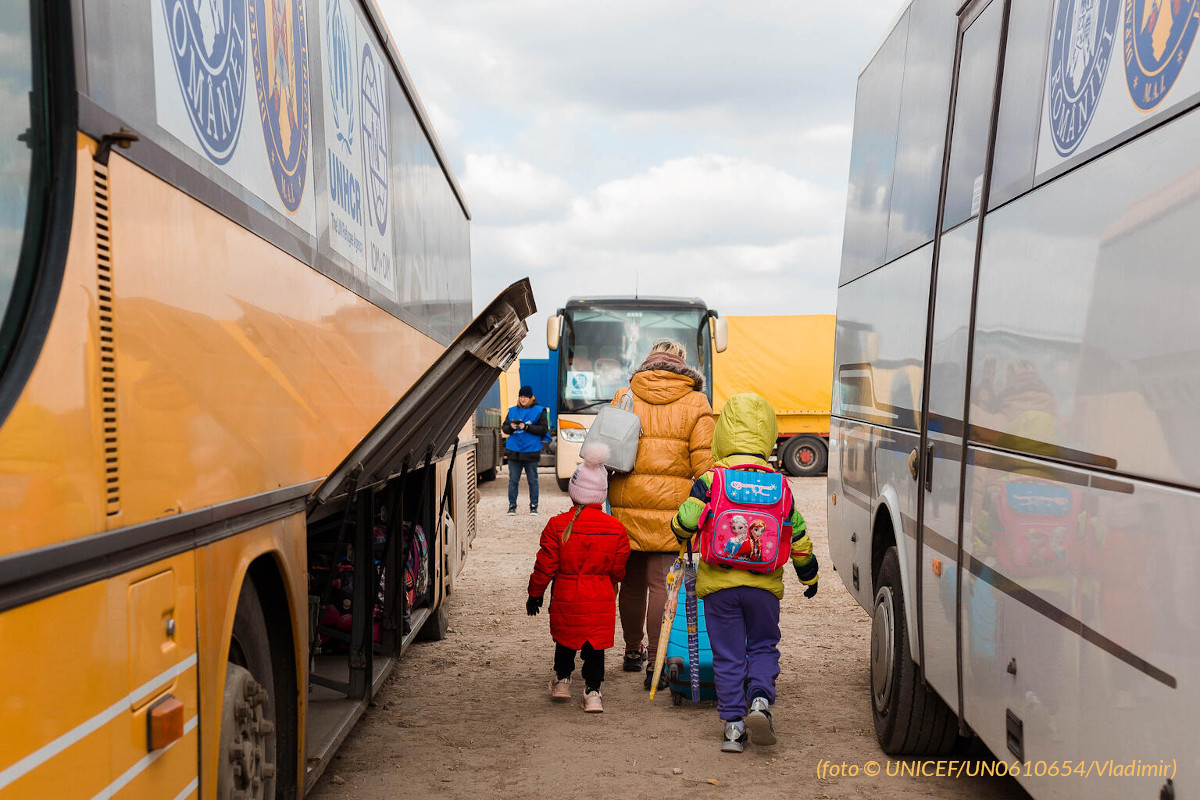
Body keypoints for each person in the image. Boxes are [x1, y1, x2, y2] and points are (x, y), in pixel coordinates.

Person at [670, 393, 818, 754]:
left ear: (721, 435)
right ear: (767, 436)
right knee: (764, 646)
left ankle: (734, 728)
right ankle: (760, 703)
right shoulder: (781, 486)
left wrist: (681, 529)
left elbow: (686, 522)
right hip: (764, 588)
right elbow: (797, 536)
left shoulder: (712, 480)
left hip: (720, 587)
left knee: (728, 655)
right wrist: (808, 576)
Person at [607, 340, 714, 690]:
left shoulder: (625, 394)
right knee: (662, 587)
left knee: (633, 585)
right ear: (681, 365)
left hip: (626, 506)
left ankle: (631, 651)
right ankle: (656, 662)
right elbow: (705, 466)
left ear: (648, 362)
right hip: (672, 509)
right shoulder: (696, 402)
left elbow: (605, 451)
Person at [526, 443, 630, 713]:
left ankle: (562, 681)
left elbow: (545, 565)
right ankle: (593, 693)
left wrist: (535, 593)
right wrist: (611, 580)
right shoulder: (616, 529)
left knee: (566, 638)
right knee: (595, 646)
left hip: (566, 596)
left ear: (574, 492)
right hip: (600, 598)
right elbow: (619, 570)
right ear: (601, 495)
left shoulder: (557, 525)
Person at [503, 385, 550, 515]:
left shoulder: (539, 410)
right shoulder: (512, 411)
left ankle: (533, 506)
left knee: (533, 480)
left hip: (531, 450)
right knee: (513, 480)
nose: (523, 399)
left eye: (526, 397)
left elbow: (543, 429)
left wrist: (526, 427)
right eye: (521, 396)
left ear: (531, 398)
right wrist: (512, 427)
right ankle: (512, 506)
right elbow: (504, 428)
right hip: (514, 450)